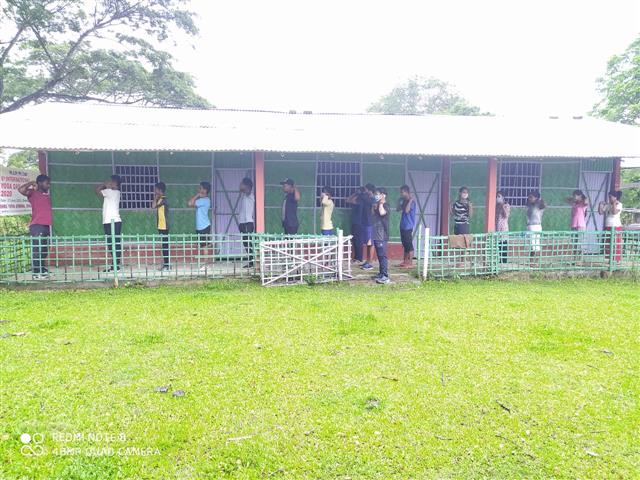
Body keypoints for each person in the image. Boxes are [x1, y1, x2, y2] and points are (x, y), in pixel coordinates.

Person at [17, 174, 52, 278]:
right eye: (47, 183)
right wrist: (32, 182)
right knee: (37, 249)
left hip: (47, 225)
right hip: (37, 225)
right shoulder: (33, 193)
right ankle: (36, 272)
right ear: (39, 183)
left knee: (44, 249)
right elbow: (21, 189)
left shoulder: (47, 195)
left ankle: (41, 268)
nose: (48, 185)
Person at [95, 175, 123, 272]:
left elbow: (97, 190)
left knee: (114, 244)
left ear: (116, 183)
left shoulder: (112, 192)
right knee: (111, 244)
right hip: (108, 221)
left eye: (111, 181)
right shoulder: (111, 191)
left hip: (113, 221)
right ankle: (114, 265)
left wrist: (104, 184)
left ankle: (116, 266)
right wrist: (107, 185)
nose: (109, 182)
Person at [188, 181, 213, 268]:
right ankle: (209, 244)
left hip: (204, 226)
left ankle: (206, 265)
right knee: (202, 245)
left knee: (204, 246)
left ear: (205, 190)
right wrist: (198, 195)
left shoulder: (205, 200)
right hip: (200, 226)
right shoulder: (202, 200)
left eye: (200, 188)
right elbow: (191, 203)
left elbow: (190, 203)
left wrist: (197, 195)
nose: (199, 189)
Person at [372, 187, 390, 284]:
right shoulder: (377, 205)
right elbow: (373, 213)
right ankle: (381, 273)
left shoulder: (385, 205)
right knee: (379, 255)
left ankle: (385, 276)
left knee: (382, 255)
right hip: (376, 234)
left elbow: (382, 213)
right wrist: (376, 205)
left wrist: (381, 203)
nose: (376, 196)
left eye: (377, 194)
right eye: (375, 194)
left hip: (382, 235)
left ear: (383, 195)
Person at [598, 191, 623, 263]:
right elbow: (600, 212)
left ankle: (617, 259)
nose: (609, 198)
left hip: (615, 226)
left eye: (610, 197)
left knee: (616, 243)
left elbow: (614, 212)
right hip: (608, 226)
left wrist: (614, 204)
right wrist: (600, 205)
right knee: (608, 243)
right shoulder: (608, 205)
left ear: (615, 197)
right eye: (609, 197)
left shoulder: (619, 204)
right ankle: (610, 259)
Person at [152, 182, 170, 271]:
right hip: (161, 225)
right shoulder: (160, 199)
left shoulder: (162, 199)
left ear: (160, 190)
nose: (154, 191)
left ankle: (167, 265)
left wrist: (155, 198)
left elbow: (153, 206)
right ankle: (166, 265)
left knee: (165, 245)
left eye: (156, 189)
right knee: (164, 245)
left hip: (164, 225)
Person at [397, 185, 416, 268]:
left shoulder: (412, 202)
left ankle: (410, 262)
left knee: (409, 245)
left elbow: (407, 210)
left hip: (408, 226)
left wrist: (410, 200)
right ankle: (405, 261)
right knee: (404, 244)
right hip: (403, 225)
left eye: (402, 192)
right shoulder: (404, 201)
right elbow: (398, 209)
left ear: (407, 192)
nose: (401, 194)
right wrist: (399, 202)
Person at [238, 177, 255, 267]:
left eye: (242, 184)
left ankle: (253, 261)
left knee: (248, 242)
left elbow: (246, 190)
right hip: (242, 222)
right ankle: (251, 261)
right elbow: (241, 190)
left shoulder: (250, 195)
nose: (240, 185)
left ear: (247, 186)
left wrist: (244, 186)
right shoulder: (244, 195)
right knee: (246, 243)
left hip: (248, 222)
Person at [359, 183, 376, 270]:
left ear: (370, 190)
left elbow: (373, 211)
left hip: (370, 223)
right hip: (365, 222)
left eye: (366, 189)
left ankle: (370, 262)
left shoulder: (373, 199)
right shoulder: (367, 198)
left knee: (370, 242)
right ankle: (367, 260)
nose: (364, 191)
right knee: (367, 243)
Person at [526, 190, 546, 262]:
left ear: (536, 198)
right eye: (529, 197)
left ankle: (536, 261)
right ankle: (531, 261)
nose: (529, 199)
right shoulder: (530, 206)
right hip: (530, 226)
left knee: (536, 245)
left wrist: (539, 200)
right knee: (531, 245)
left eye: (531, 197)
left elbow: (544, 205)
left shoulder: (539, 205)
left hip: (536, 226)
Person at [347, 187, 365, 263]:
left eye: (358, 191)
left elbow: (350, 200)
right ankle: (356, 257)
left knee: (358, 241)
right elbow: (348, 200)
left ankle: (359, 258)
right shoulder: (358, 198)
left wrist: (355, 194)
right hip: (355, 222)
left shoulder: (361, 200)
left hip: (359, 223)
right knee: (354, 240)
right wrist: (355, 194)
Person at [495, 191, 511, 264]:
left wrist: (502, 206)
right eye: (496, 196)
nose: (497, 198)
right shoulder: (496, 206)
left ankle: (504, 262)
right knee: (498, 245)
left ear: (503, 197)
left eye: (499, 196)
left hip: (503, 228)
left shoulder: (506, 205)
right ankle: (499, 261)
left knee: (504, 245)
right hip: (497, 228)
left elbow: (506, 215)